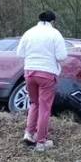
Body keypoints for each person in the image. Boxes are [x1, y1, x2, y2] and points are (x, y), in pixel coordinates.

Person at [15, 10, 68, 152]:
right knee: (45, 108)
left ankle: (28, 133)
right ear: (53, 21)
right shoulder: (55, 34)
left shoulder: (29, 32)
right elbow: (62, 56)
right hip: (47, 74)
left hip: (29, 72)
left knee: (34, 103)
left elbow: (20, 53)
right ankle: (41, 142)